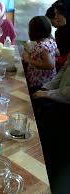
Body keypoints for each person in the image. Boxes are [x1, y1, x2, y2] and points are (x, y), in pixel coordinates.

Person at [32, 54, 70, 194]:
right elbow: (62, 72)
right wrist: (45, 89)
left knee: (57, 152)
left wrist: (48, 94)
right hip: (59, 98)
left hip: (65, 106)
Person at [22, 16, 57, 94]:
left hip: (40, 83)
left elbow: (50, 65)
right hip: (48, 80)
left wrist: (28, 60)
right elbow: (57, 52)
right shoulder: (50, 41)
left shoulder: (42, 46)